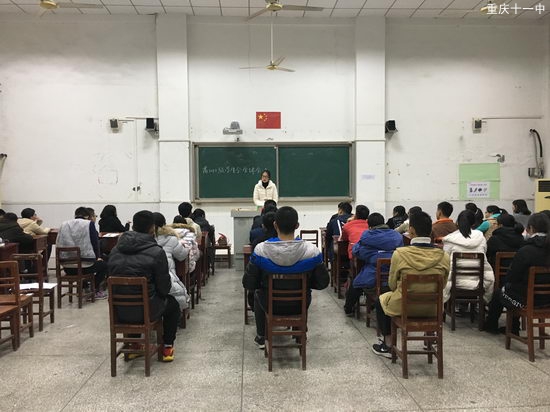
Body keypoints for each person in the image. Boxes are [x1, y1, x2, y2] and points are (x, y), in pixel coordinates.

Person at [242, 206, 330, 349]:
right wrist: (308, 283)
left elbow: (248, 283)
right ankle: (300, 333)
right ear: (297, 225)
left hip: (269, 305)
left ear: (275, 225)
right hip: (300, 305)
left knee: (258, 293)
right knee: (306, 291)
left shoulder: (261, 250)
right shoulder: (312, 251)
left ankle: (261, 336)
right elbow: (323, 283)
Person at [372, 211, 450, 357]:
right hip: (433, 308)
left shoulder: (400, 254)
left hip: (404, 306)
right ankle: (430, 341)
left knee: (381, 301)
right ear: (430, 231)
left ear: (411, 230)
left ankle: (387, 345)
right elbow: (443, 284)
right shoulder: (444, 256)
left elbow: (392, 284)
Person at [108, 210, 180, 361]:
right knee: (173, 305)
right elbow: (164, 288)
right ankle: (167, 348)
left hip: (119, 311)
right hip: (147, 311)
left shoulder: (115, 250)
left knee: (132, 297)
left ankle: (134, 346)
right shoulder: (156, 252)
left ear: (133, 226)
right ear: (152, 228)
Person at [485, 213, 550, 334]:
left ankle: (493, 325)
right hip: (547, 301)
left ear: (531, 228)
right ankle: (513, 326)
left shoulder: (526, 250)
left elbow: (512, 276)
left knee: (501, 292)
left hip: (527, 301)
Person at [344, 213, 403, 316]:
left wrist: (372, 253)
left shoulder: (367, 236)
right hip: (396, 279)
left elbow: (358, 251)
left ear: (370, 226)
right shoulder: (397, 236)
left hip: (373, 277)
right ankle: (374, 305)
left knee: (356, 284)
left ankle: (348, 309)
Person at [442, 210, 494, 305]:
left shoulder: (450, 239)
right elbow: (484, 252)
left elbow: (445, 259)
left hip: (455, 281)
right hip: (478, 281)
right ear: (473, 223)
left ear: (458, 222)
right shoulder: (481, 238)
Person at [56, 207, 108, 299]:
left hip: (67, 267)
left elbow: (58, 242)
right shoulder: (88, 224)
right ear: (87, 216)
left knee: (87, 264)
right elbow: (94, 243)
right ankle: (94, 289)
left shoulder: (64, 224)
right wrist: (97, 257)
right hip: (85, 266)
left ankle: (85, 287)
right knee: (104, 265)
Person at [153, 212, 190, 312]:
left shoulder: (146, 240)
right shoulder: (170, 238)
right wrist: (187, 248)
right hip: (167, 277)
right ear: (164, 224)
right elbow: (181, 256)